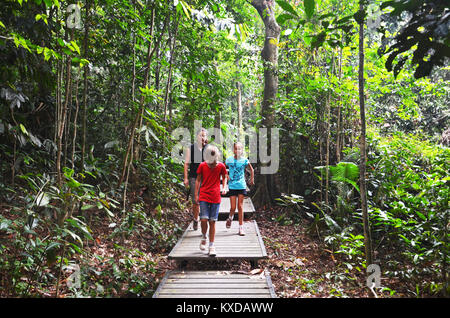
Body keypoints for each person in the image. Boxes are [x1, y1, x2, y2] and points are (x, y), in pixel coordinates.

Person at [194, 145, 227, 256]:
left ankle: (211, 246)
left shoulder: (221, 166)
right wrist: (196, 195)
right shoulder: (202, 166)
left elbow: (225, 176)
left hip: (215, 196)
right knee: (203, 219)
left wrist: (224, 187)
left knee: (212, 221)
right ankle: (204, 236)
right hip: (204, 195)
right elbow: (198, 180)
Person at [225, 142, 254, 236]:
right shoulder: (229, 160)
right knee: (233, 207)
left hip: (241, 185)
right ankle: (230, 218)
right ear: (233, 150)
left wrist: (251, 179)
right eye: (236, 149)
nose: (238, 151)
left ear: (242, 151)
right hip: (232, 186)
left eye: (239, 149)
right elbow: (224, 170)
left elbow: (251, 169)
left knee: (240, 206)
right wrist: (226, 177)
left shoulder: (244, 160)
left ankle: (241, 228)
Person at [184, 128, 208, 231]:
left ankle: (203, 219)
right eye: (200, 135)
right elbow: (186, 164)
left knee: (205, 200)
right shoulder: (191, 148)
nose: (202, 137)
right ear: (197, 137)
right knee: (195, 200)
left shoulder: (208, 148)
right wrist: (185, 178)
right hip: (194, 177)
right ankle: (195, 218)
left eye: (204, 136)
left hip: (206, 178)